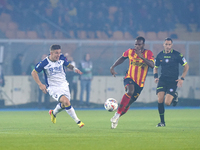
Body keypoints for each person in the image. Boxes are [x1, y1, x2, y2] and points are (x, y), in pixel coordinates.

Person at [31, 44, 84, 128]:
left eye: (59, 53)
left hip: (64, 85)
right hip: (53, 87)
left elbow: (67, 64)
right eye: (56, 53)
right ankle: (78, 121)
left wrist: (74, 69)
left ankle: (53, 113)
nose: (58, 55)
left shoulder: (62, 57)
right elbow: (34, 72)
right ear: (51, 53)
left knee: (64, 104)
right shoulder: (44, 63)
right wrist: (40, 85)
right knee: (66, 102)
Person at [110, 36, 154, 129]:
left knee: (128, 104)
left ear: (143, 45)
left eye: (139, 44)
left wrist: (141, 56)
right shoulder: (130, 51)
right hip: (129, 77)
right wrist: (113, 67)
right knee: (130, 91)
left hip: (140, 83)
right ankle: (117, 114)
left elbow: (152, 65)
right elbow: (122, 58)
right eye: (136, 44)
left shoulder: (148, 53)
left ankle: (117, 118)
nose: (137, 46)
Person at [154, 37, 189, 127]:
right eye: (166, 44)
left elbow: (186, 66)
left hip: (173, 81)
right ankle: (162, 122)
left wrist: (182, 78)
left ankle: (174, 95)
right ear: (163, 44)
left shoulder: (178, 55)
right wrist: (156, 77)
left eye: (169, 44)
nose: (168, 46)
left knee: (167, 103)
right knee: (160, 99)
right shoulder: (159, 55)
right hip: (162, 80)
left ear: (172, 45)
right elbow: (156, 67)